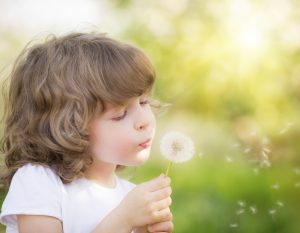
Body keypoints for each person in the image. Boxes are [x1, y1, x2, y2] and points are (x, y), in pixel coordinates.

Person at [0, 32, 173, 233]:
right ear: (69, 128)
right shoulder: (40, 182)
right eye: (120, 114)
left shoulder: (130, 196)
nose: (144, 121)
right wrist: (124, 220)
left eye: (144, 102)